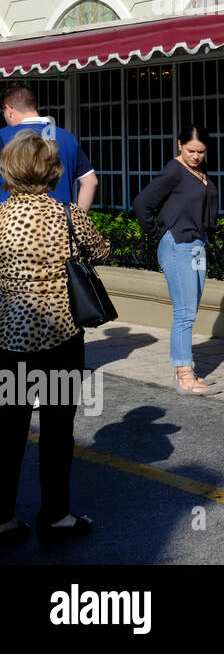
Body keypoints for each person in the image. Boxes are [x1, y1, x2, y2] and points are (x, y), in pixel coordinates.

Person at [0, 131, 109, 550]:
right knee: (57, 430)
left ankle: (3, 518)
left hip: (10, 340)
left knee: (8, 430)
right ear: (52, 170)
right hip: (61, 337)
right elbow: (100, 251)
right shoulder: (68, 215)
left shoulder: (1, 218)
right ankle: (55, 514)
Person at [132, 124, 222, 396]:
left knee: (190, 311)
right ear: (179, 145)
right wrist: (159, 234)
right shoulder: (174, 170)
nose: (195, 156)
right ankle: (185, 375)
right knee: (184, 313)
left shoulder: (198, 171)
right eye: (191, 150)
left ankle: (184, 370)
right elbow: (141, 203)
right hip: (178, 245)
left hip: (196, 244)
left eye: (201, 152)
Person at [0, 84, 97, 211]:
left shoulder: (3, 136)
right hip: (58, 225)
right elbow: (90, 182)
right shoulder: (67, 137)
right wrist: (76, 219)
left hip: (15, 224)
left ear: (9, 110)